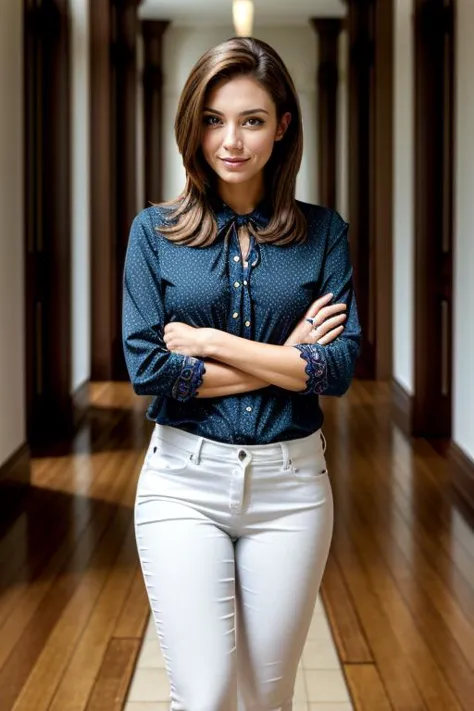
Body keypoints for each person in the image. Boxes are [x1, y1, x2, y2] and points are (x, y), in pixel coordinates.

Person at [123, 36, 361, 711]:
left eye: (252, 119)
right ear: (192, 125)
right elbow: (148, 367)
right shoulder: (154, 232)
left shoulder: (324, 234)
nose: (232, 139)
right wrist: (287, 358)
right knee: (203, 697)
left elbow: (337, 368)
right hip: (181, 485)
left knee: (267, 697)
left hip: (292, 490)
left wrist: (209, 342)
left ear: (283, 127)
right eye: (213, 118)